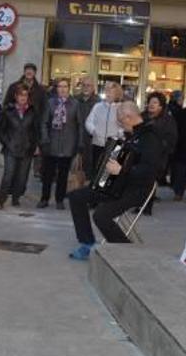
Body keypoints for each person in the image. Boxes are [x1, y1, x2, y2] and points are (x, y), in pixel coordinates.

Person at [67, 102, 161, 260]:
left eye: (120, 121)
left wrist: (122, 170)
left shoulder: (150, 138)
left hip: (136, 190)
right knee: (76, 197)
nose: (119, 124)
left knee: (101, 216)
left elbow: (150, 170)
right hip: (117, 185)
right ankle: (87, 243)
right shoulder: (131, 135)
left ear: (129, 117)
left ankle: (128, 252)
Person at [39, 78, 80, 210]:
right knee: (47, 174)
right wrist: (45, 139)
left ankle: (59, 200)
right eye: (59, 87)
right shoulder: (50, 103)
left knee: (63, 175)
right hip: (51, 143)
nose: (62, 89)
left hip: (68, 144)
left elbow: (79, 125)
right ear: (56, 89)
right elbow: (44, 123)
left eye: (65, 86)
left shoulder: (75, 104)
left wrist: (79, 144)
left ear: (69, 88)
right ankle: (44, 198)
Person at [0, 84, 39, 209]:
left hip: (26, 149)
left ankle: (16, 198)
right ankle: (1, 200)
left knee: (22, 177)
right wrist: (7, 142)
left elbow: (35, 131)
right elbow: (1, 130)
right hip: (11, 148)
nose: (23, 97)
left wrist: (35, 145)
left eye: (25, 95)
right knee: (8, 175)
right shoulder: (8, 111)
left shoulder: (32, 111)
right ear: (15, 96)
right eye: (20, 95)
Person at [142, 92, 177, 215]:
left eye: (155, 103)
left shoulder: (167, 120)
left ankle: (147, 207)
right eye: (150, 102)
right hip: (141, 155)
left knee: (150, 182)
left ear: (161, 106)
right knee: (140, 182)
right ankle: (140, 204)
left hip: (157, 157)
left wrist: (161, 146)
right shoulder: (142, 117)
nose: (151, 105)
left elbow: (172, 139)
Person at [85, 81, 125, 174]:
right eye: (106, 91)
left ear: (117, 93)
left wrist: (119, 134)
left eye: (110, 91)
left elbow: (125, 125)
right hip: (98, 144)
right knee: (97, 170)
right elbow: (89, 122)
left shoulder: (121, 108)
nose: (108, 93)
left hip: (115, 146)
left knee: (109, 173)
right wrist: (94, 131)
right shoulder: (97, 106)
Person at [75, 76, 98, 180]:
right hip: (75, 139)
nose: (86, 87)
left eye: (88, 85)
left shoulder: (99, 103)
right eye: (84, 85)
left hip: (92, 141)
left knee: (90, 169)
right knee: (75, 169)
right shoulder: (74, 100)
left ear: (93, 88)